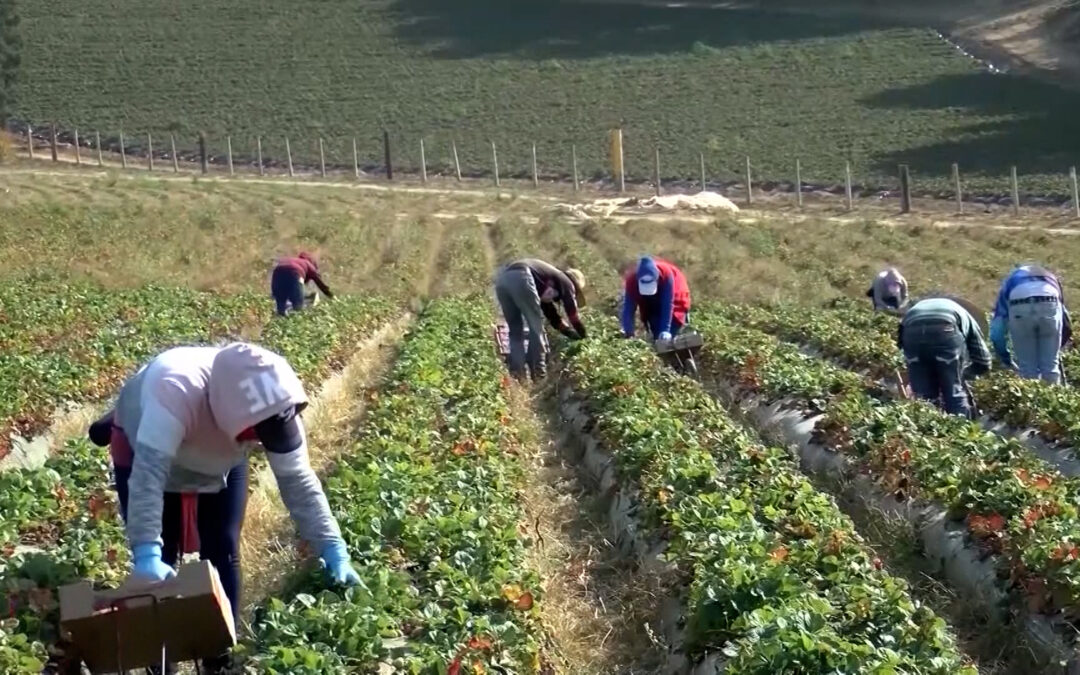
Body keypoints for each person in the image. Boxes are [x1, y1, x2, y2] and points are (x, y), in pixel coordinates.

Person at [87, 342, 359, 673]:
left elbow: (299, 483)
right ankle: (161, 661)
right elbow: (147, 479)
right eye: (256, 433)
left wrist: (333, 547)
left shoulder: (273, 403)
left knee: (223, 546)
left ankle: (218, 658)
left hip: (217, 457)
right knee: (163, 553)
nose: (260, 441)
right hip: (145, 444)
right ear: (230, 413)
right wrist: (146, 553)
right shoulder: (174, 390)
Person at [898, 296, 992, 418]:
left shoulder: (920, 308)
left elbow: (901, 345)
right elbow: (984, 360)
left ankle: (927, 429)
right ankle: (960, 428)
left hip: (910, 329)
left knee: (923, 396)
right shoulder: (967, 318)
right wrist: (964, 374)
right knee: (953, 391)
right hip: (944, 327)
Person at [494, 259, 587, 380]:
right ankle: (539, 373)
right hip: (522, 277)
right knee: (536, 327)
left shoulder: (545, 282)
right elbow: (572, 313)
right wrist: (582, 333)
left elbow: (552, 316)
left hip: (503, 280)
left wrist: (568, 331)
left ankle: (518, 374)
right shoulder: (567, 282)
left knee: (515, 329)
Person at [990, 263, 1071, 384]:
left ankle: (1032, 398)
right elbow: (1065, 322)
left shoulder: (1010, 281)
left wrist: (1005, 357)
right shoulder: (1051, 278)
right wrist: (1058, 347)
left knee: (1027, 369)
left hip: (1019, 304)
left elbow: (997, 327)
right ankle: (1053, 398)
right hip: (1050, 301)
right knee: (1051, 367)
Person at [621, 256, 691, 341]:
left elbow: (668, 304)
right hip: (649, 302)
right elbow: (628, 309)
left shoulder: (666, 274)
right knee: (656, 330)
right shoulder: (631, 281)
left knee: (672, 328)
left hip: (674, 295)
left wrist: (665, 330)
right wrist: (628, 333)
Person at [271, 251, 333, 316]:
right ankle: (294, 320)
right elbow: (319, 282)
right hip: (294, 273)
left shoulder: (294, 260)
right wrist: (330, 295)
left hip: (277, 274)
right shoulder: (308, 264)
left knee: (281, 303)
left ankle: (280, 317)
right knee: (298, 304)